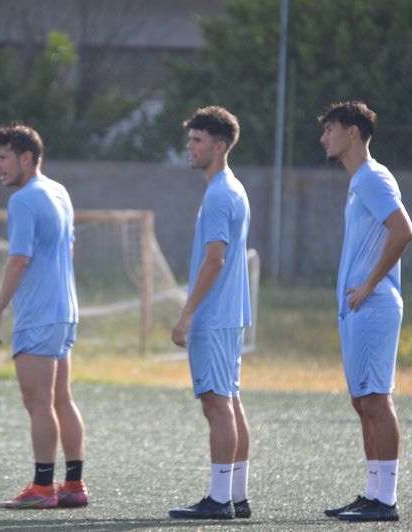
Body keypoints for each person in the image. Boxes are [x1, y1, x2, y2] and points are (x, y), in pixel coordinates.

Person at [318, 101, 412, 522]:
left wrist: (371, 282)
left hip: (374, 305)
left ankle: (386, 500)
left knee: (376, 399)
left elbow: (404, 230)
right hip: (358, 308)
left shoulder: (373, 177)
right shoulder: (360, 181)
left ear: (352, 132)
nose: (323, 138)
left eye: (330, 129)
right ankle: (373, 493)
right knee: (363, 403)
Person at [0, 123, 88, 509]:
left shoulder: (23, 199)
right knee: (62, 399)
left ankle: (43, 488)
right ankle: (73, 484)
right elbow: (69, 251)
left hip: (40, 314)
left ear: (26, 158)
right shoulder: (59, 191)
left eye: (3, 158)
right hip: (65, 310)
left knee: (38, 401)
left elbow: (19, 259)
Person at [168, 106, 252, 521]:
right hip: (228, 316)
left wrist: (186, 315)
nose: (190, 146)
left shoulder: (220, 193)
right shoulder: (231, 188)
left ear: (219, 146)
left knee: (217, 406)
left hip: (214, 317)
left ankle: (221, 501)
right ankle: (237, 496)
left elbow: (214, 260)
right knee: (229, 402)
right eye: (190, 139)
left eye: (197, 140)